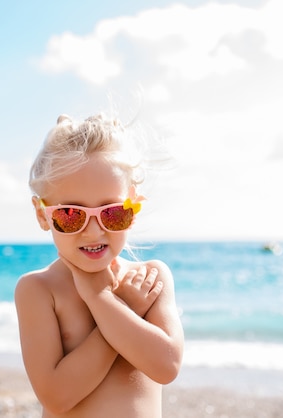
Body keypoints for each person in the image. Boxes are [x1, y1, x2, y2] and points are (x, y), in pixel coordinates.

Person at [15, 113, 184, 417]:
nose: (94, 232)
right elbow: (56, 396)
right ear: (43, 215)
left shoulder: (150, 278)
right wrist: (118, 305)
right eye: (70, 214)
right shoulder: (38, 290)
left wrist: (103, 301)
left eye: (112, 213)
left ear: (133, 206)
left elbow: (167, 365)